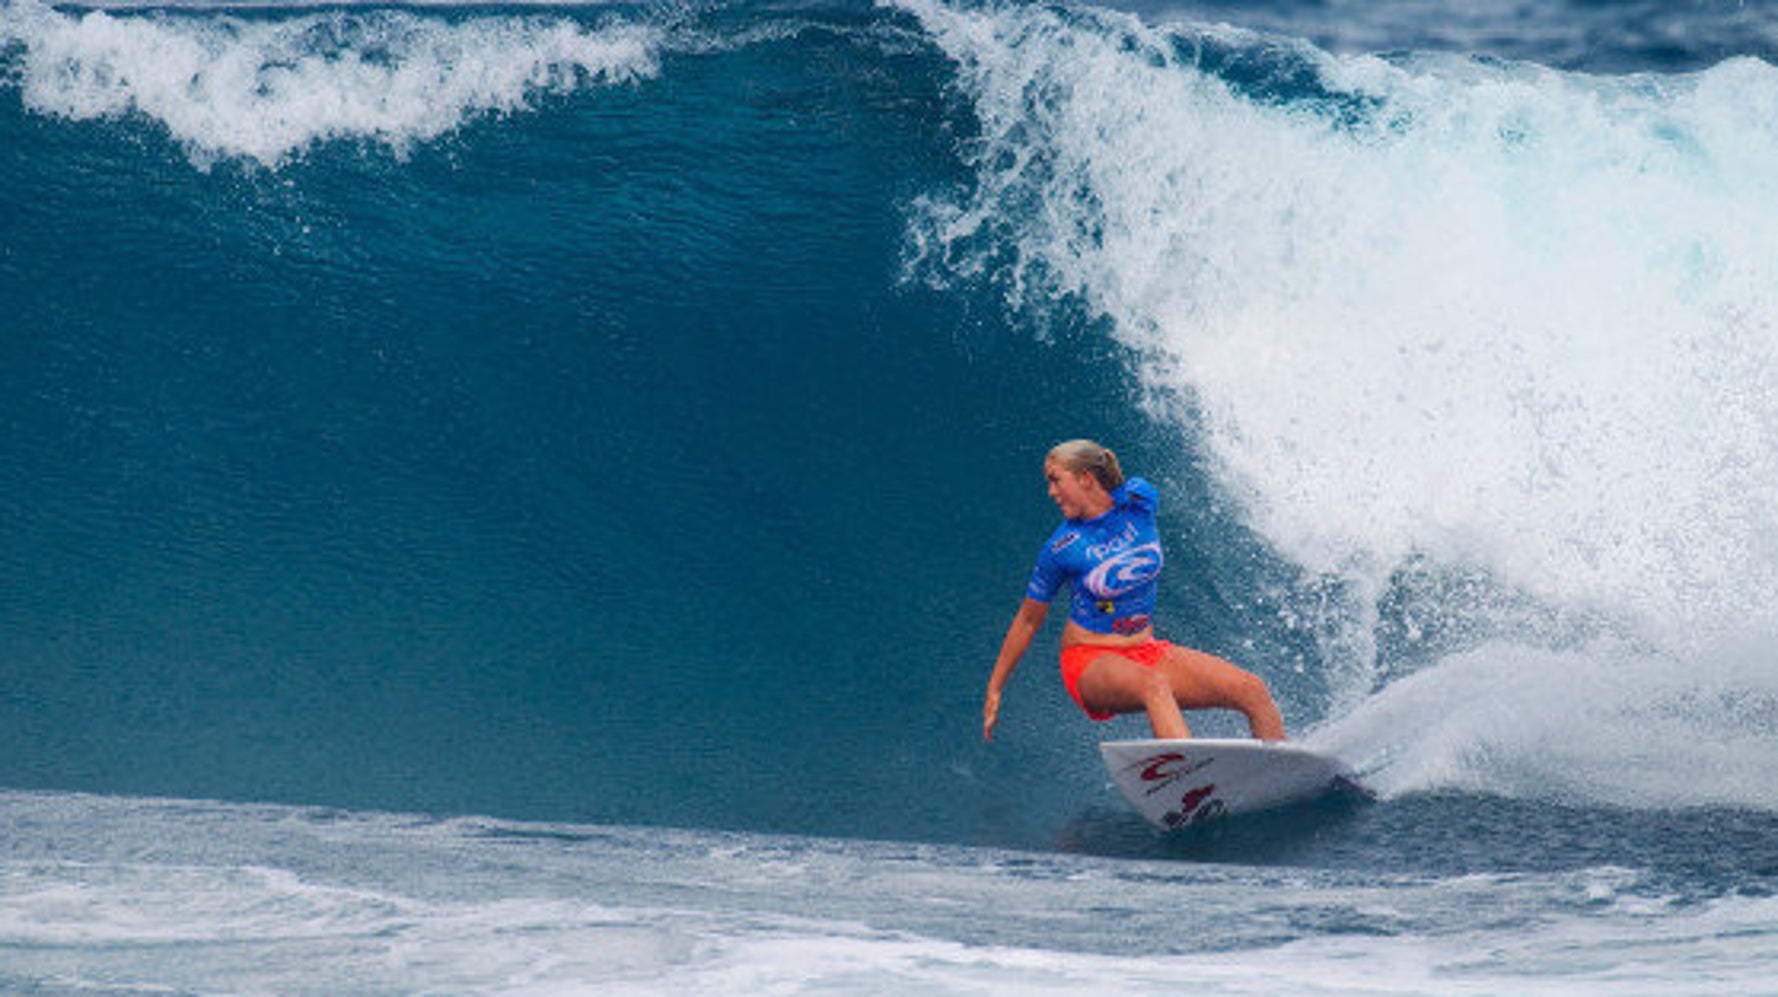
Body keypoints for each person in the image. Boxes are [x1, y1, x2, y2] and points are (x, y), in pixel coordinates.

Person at [982, 439, 1287, 743]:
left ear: (1085, 478)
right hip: (1089, 659)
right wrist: (995, 687)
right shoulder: (1061, 548)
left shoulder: (1139, 502)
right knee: (1153, 684)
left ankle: (1285, 775)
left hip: (1146, 649)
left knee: (1252, 689)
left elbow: (1128, 488)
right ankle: (1191, 779)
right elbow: (1028, 620)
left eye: (1055, 480)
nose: (1051, 492)